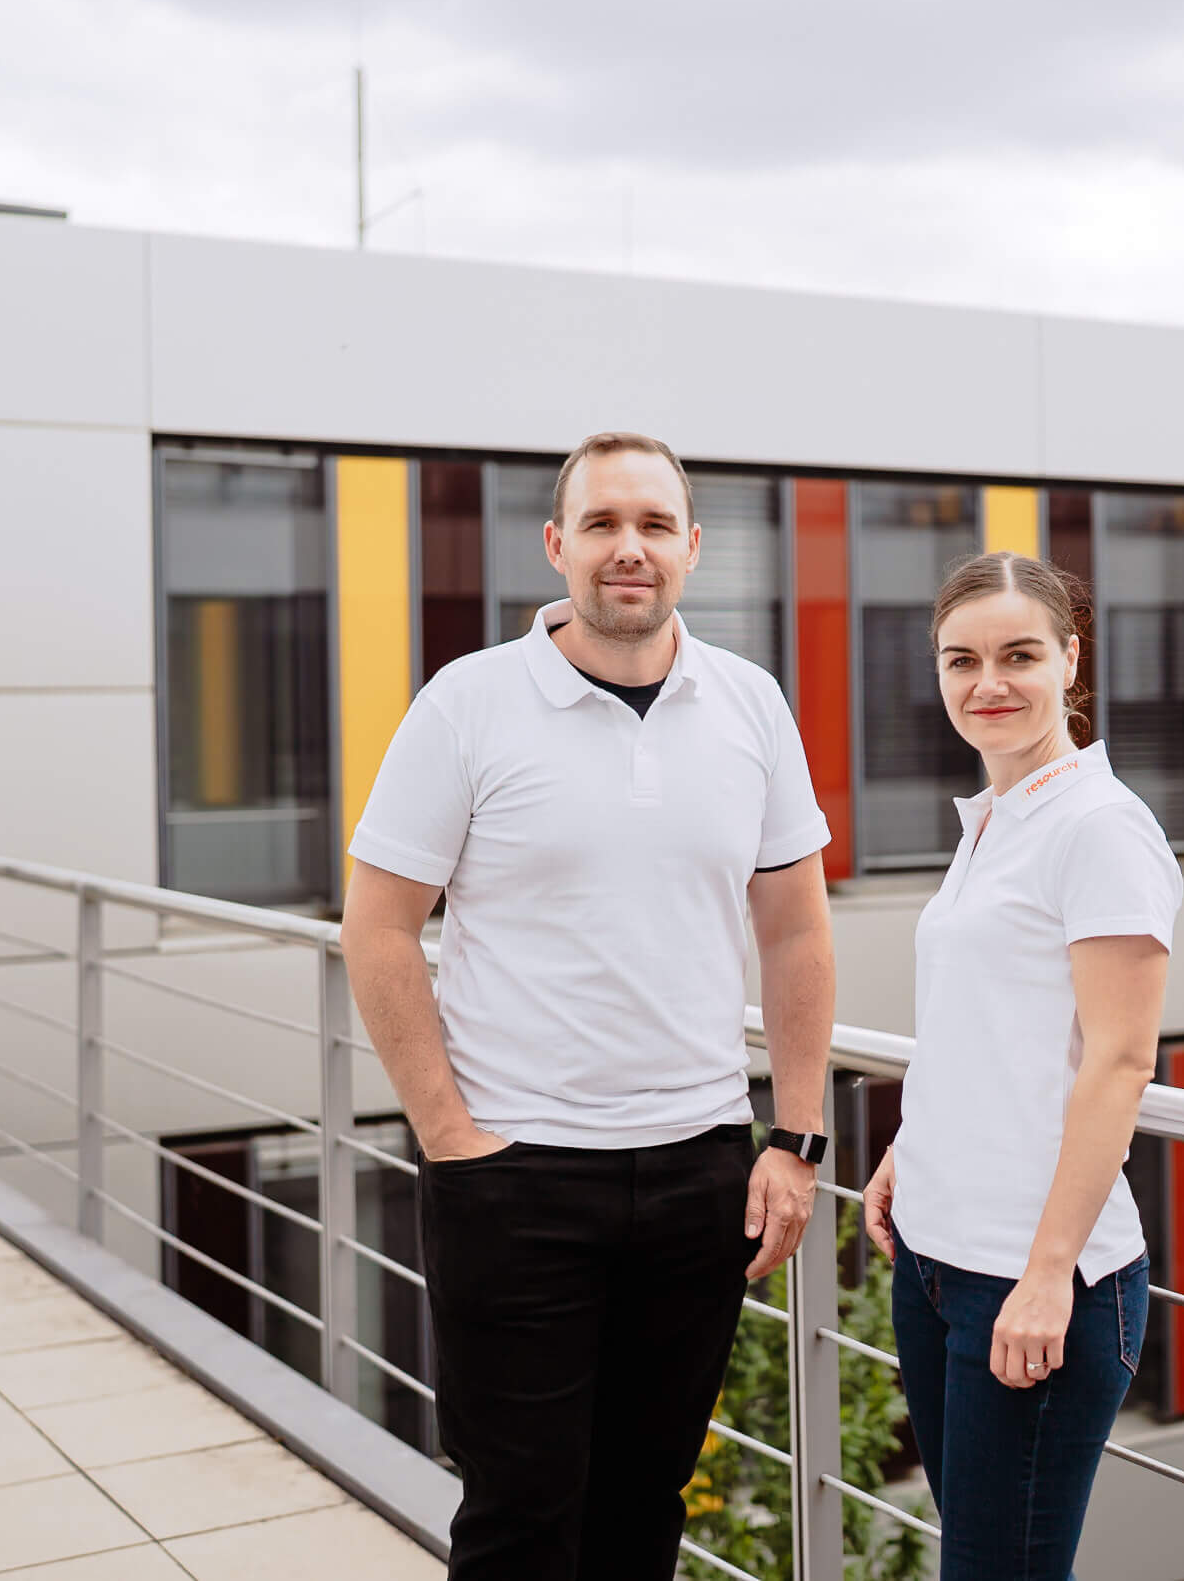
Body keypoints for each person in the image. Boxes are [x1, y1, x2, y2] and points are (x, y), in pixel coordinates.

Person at [341, 432, 840, 1581]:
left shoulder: (751, 706)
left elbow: (797, 929)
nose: (631, 549)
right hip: (513, 1174)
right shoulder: (467, 704)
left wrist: (798, 1140)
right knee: (518, 1515)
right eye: (605, 525)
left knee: (642, 1507)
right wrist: (450, 1138)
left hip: (699, 1168)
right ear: (558, 544)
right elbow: (376, 927)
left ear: (693, 549)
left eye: (655, 526)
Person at [861, 550, 1180, 1580]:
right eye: (960, 659)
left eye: (1017, 655)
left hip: (1040, 1280)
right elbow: (985, 1025)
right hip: (934, 1260)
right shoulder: (996, 818)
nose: (985, 683)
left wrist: (1045, 1278)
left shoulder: (1099, 828)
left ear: (1070, 660)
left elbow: (1121, 1063)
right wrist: (916, 1146)